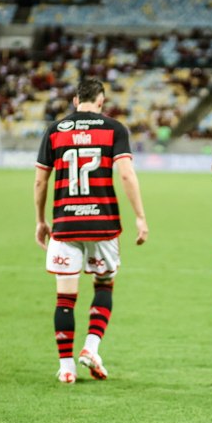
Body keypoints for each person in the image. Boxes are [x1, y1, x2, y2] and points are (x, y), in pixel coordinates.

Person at [33, 77, 148, 383]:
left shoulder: (55, 130)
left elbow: (40, 180)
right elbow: (126, 175)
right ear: (101, 102)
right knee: (104, 285)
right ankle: (91, 347)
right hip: (102, 225)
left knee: (65, 298)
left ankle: (66, 367)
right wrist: (140, 216)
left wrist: (40, 220)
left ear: (75, 101)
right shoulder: (114, 129)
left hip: (65, 224)